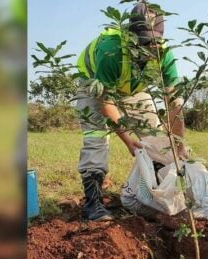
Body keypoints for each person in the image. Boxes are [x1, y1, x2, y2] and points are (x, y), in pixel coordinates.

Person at [75, 2, 184, 221]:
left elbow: (174, 101)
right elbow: (105, 101)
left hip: (133, 89)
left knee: (156, 138)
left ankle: (154, 197)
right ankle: (93, 203)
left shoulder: (164, 53)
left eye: (153, 43)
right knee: (96, 137)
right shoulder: (111, 48)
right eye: (143, 42)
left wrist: (179, 144)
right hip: (94, 85)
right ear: (130, 34)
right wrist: (128, 139)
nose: (148, 50)